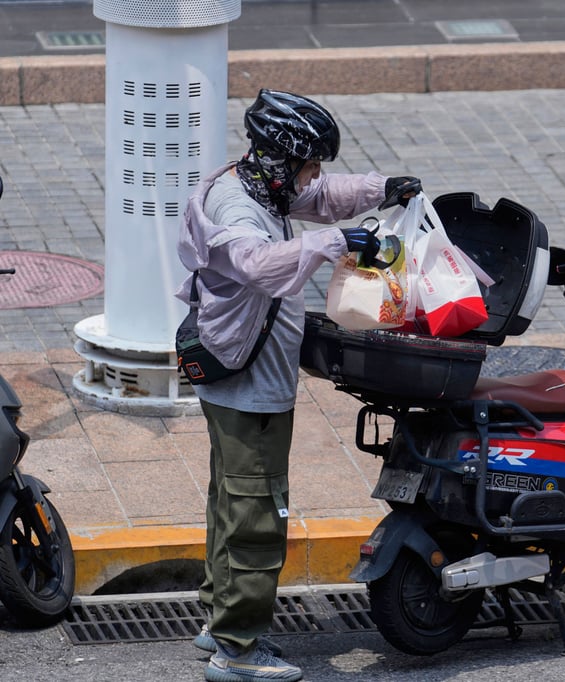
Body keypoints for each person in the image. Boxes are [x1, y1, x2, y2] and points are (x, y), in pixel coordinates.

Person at [176, 88, 420, 682]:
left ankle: (219, 620)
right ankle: (238, 649)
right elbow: (260, 265)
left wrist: (381, 189)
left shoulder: (259, 180)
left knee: (231, 505)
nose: (313, 178)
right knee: (258, 516)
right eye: (308, 164)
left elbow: (320, 197)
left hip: (240, 380)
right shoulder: (239, 211)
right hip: (249, 387)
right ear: (280, 159)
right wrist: (335, 242)